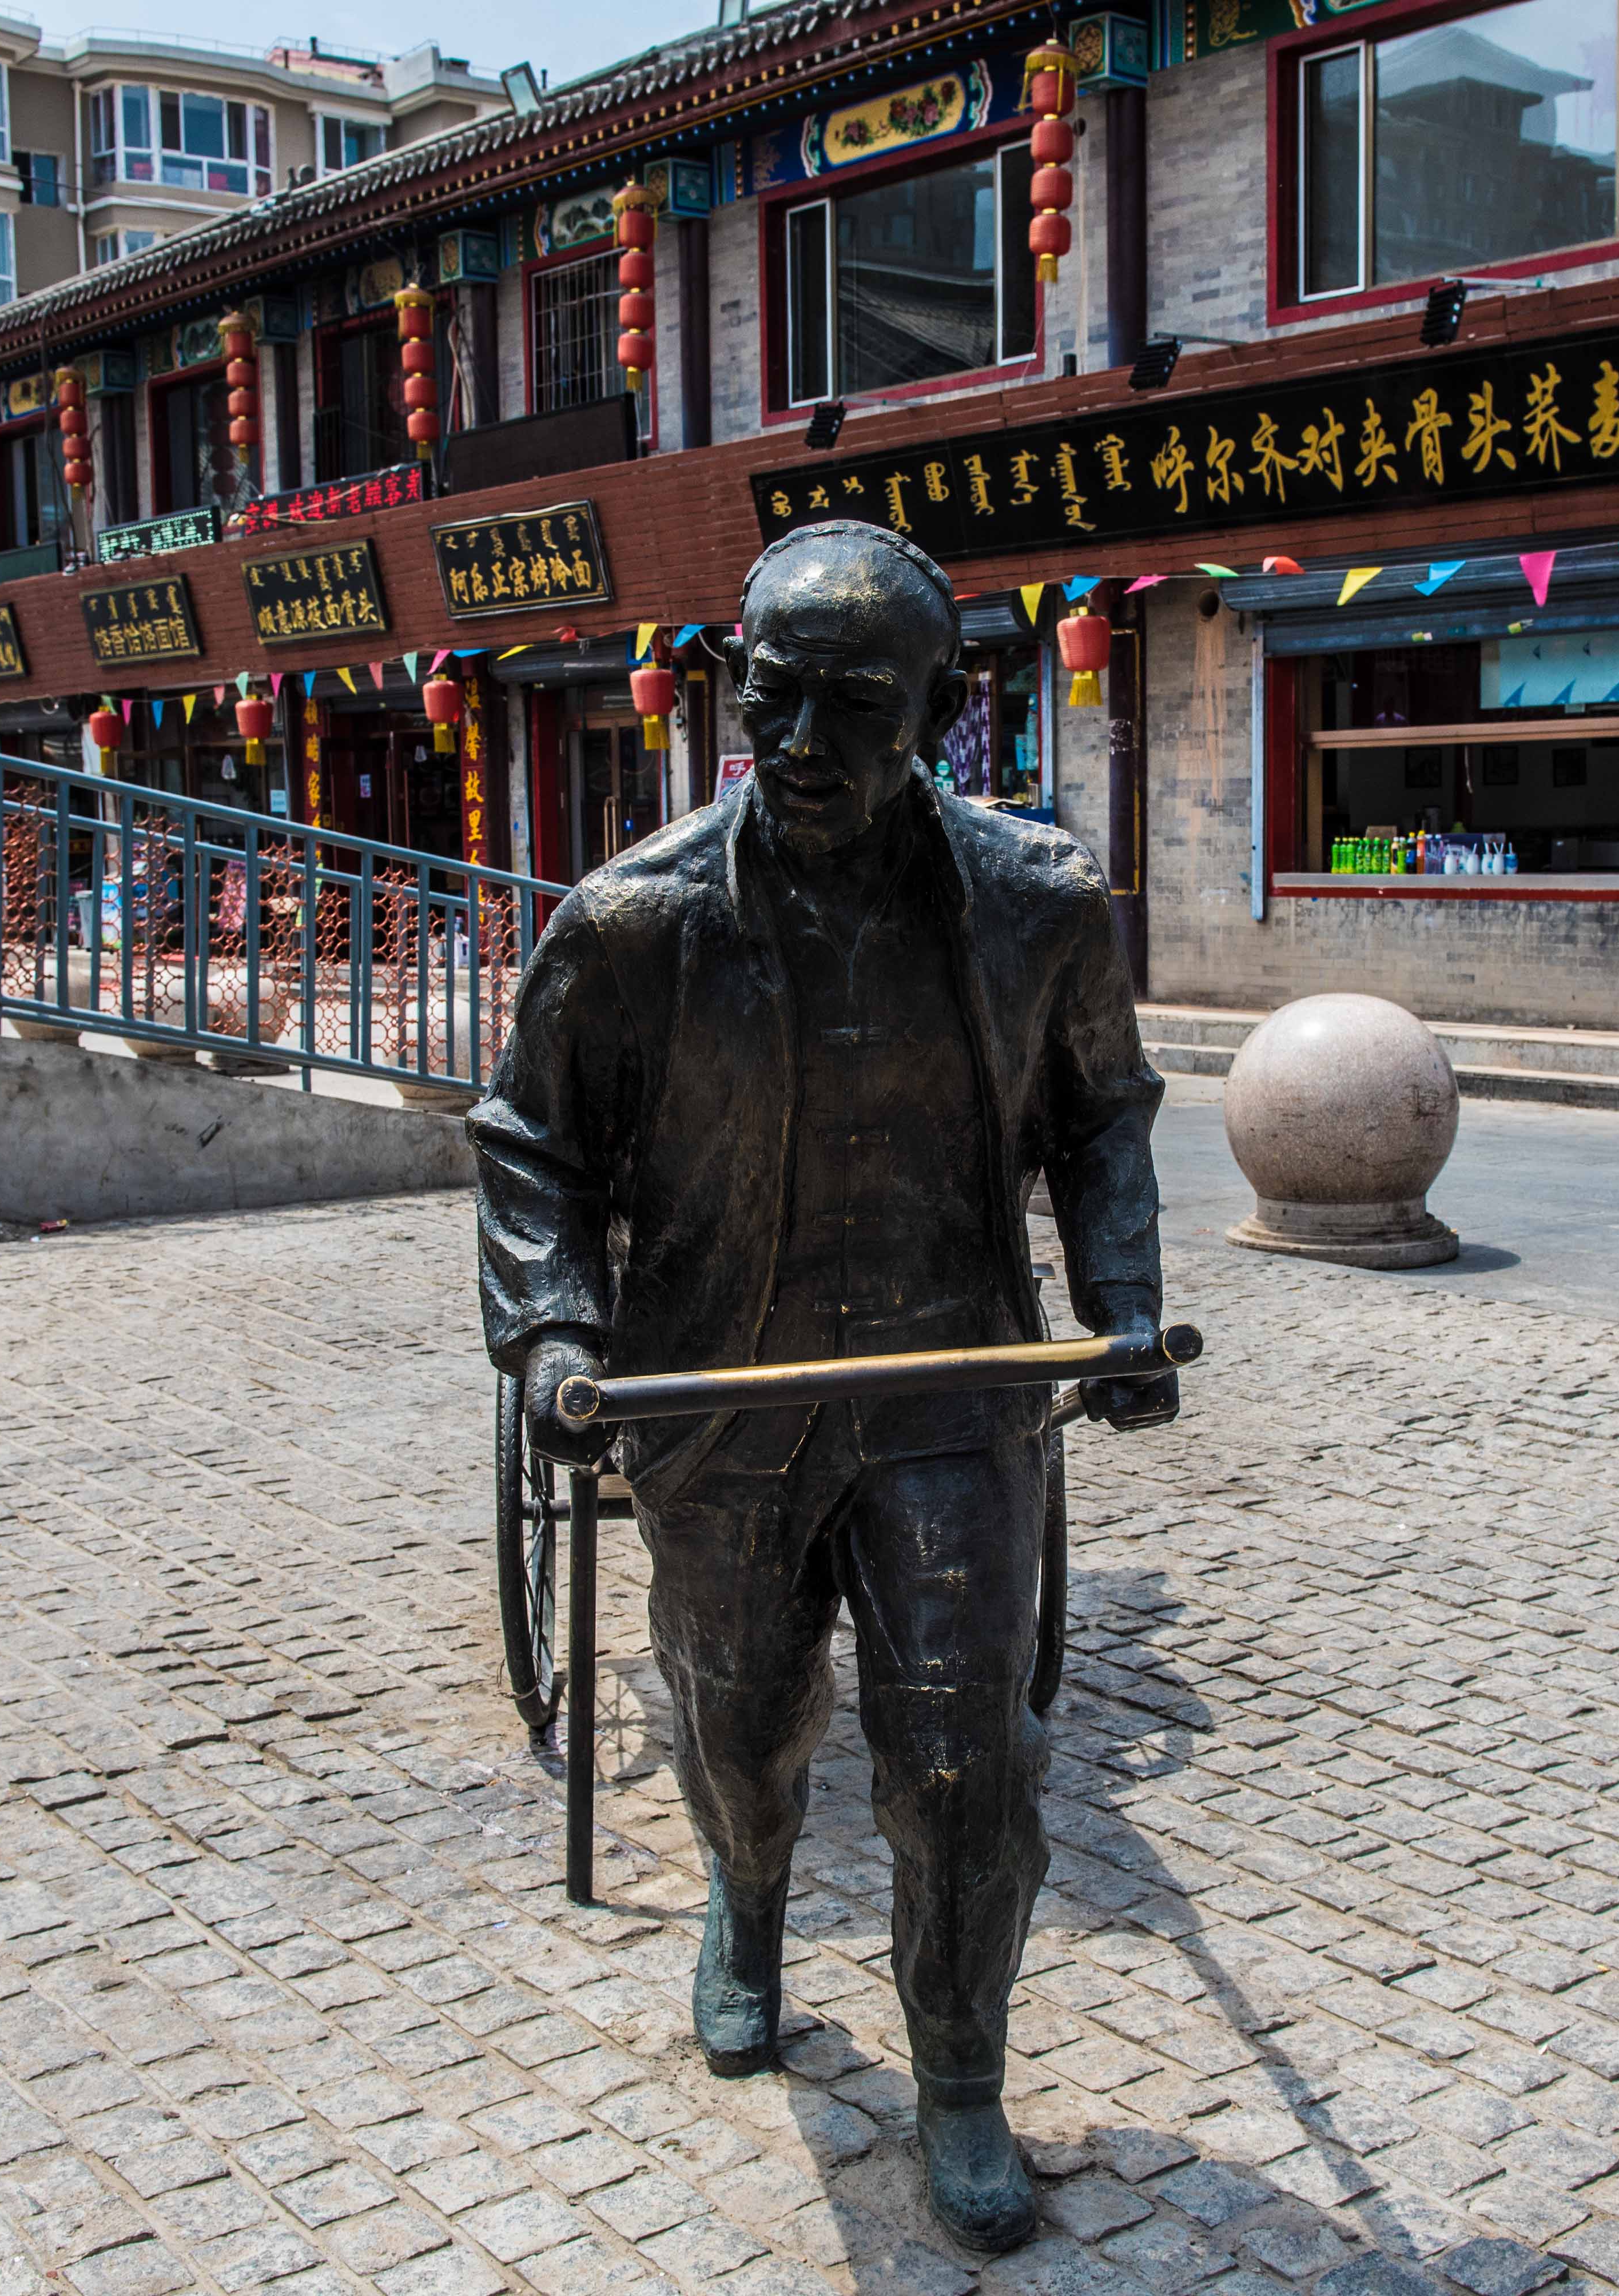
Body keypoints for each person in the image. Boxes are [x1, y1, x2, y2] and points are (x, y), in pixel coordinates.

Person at [471, 523, 1171, 2252]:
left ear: (944, 704)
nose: (800, 742)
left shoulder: (1039, 905)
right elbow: (534, 1148)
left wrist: (1126, 1309)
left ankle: (961, 2081)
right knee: (741, 1718)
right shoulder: (631, 923)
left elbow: (1101, 1119)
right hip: (719, 1398)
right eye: (774, 696)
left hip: (951, 1392)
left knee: (963, 1759)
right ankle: (748, 1890)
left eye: (855, 706)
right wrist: (556, 1335)